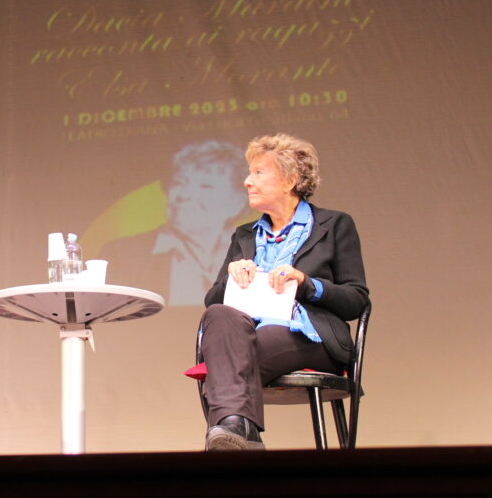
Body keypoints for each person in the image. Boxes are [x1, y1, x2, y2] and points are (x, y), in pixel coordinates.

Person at [199, 133, 367, 450]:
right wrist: (232, 277)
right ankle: (241, 429)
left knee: (228, 362)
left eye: (258, 172)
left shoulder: (334, 225)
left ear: (290, 180)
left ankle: (237, 431)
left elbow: (356, 301)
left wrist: (305, 283)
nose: (247, 181)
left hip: (309, 334)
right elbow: (213, 300)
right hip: (249, 330)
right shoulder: (244, 235)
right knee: (218, 315)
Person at [104, 140, 249, 305]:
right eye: (180, 182)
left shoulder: (251, 251)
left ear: (237, 202)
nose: (185, 194)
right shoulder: (121, 253)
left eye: (205, 186)